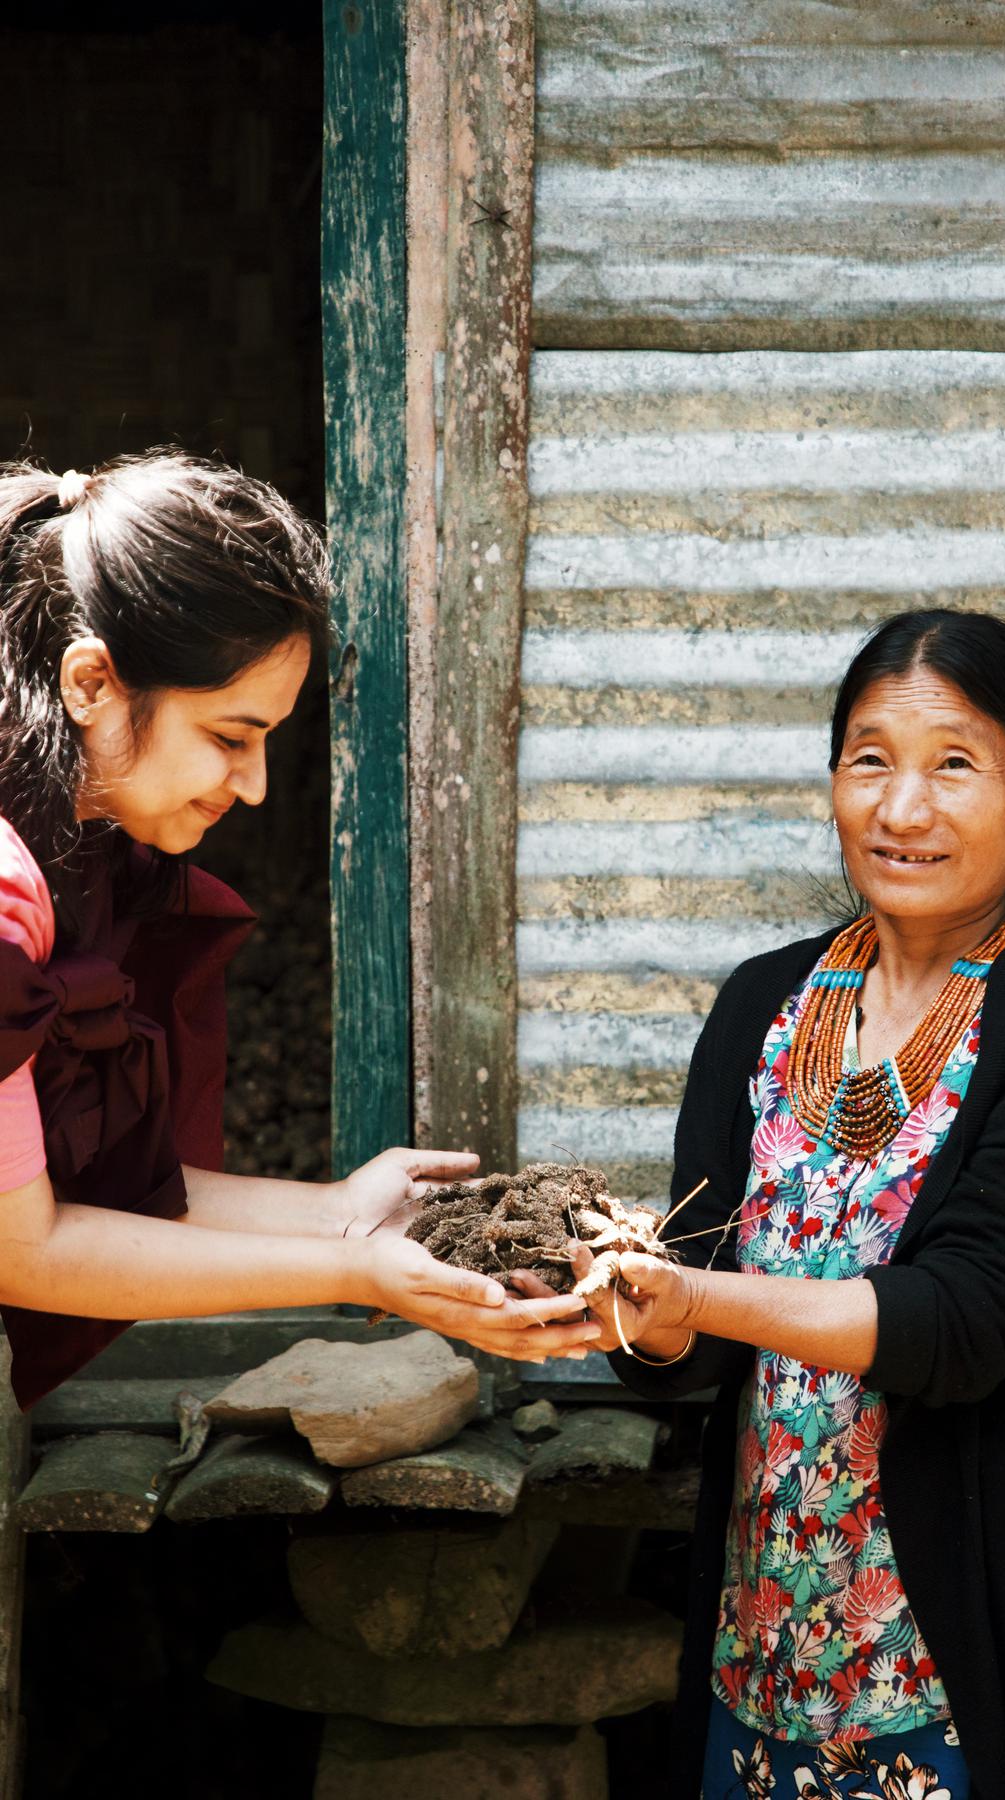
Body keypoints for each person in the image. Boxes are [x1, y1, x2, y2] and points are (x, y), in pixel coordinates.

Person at [557, 610, 1005, 1798]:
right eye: (870, 760)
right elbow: (689, 1328)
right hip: (769, 1648)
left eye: (954, 764)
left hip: (972, 1655)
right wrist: (627, 1305)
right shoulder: (763, 1005)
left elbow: (960, 1326)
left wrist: (694, 1290)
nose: (903, 810)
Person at [0, 451, 600, 1410]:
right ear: (90, 683)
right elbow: (26, 1251)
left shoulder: (75, 860)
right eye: (231, 737)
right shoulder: (4, 891)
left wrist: (341, 1215)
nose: (255, 785)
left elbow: (82, 1196)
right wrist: (356, 1272)